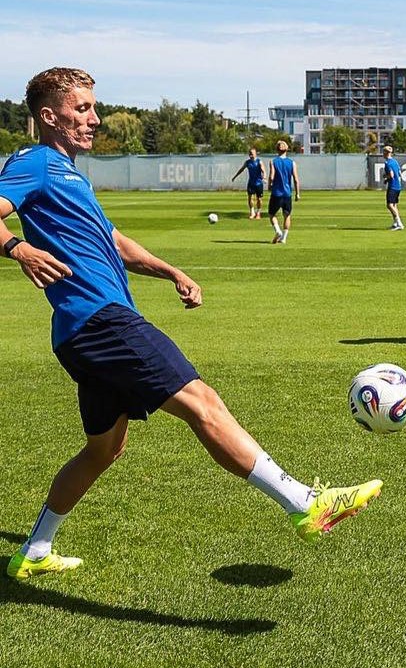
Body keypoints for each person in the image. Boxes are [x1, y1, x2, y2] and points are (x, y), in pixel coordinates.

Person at [0, 68, 380, 580]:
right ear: (49, 116)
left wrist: (169, 271)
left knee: (103, 449)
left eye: (93, 107)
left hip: (83, 329)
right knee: (202, 402)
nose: (93, 118)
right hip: (99, 321)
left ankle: (35, 551)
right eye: (82, 109)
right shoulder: (36, 163)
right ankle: (304, 502)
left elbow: (114, 243)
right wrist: (16, 247)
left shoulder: (68, 173)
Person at [267, 140, 299, 244]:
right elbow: (296, 179)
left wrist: (269, 185)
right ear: (287, 149)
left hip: (276, 193)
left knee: (272, 214)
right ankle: (284, 238)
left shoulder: (273, 161)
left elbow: (271, 176)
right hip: (287, 193)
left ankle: (277, 231)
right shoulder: (292, 162)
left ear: (277, 149)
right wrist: (297, 193)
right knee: (287, 215)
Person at [231, 147, 265, 220]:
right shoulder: (247, 162)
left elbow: (263, 170)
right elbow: (241, 169)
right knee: (250, 198)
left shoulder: (259, 161)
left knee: (259, 199)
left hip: (259, 183)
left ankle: (258, 213)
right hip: (251, 183)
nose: (250, 155)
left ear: (256, 154)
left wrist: (264, 177)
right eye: (249, 153)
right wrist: (235, 176)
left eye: (252, 153)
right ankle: (252, 212)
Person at [382, 145, 404, 230]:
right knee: (394, 205)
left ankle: (399, 223)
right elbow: (399, 173)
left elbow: (391, 175)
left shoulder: (388, 163)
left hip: (393, 186)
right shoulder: (395, 161)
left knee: (389, 205)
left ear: (386, 153)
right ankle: (395, 223)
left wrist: (386, 177)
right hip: (398, 186)